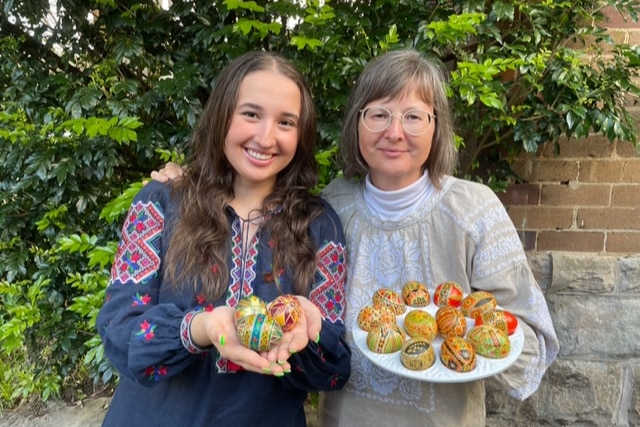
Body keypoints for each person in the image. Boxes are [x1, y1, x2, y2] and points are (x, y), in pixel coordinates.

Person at [153, 48, 560, 427]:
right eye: (378, 114)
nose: (395, 132)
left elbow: (526, 334)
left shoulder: (474, 209)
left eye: (414, 116)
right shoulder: (328, 210)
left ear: (437, 127)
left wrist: (454, 333)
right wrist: (193, 183)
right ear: (357, 124)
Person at [96, 51, 351, 427]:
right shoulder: (162, 203)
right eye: (250, 113)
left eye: (286, 122)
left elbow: (333, 371)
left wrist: (309, 333)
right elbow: (120, 335)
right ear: (222, 115)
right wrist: (199, 329)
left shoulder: (320, 226)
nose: (265, 137)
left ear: (302, 133)